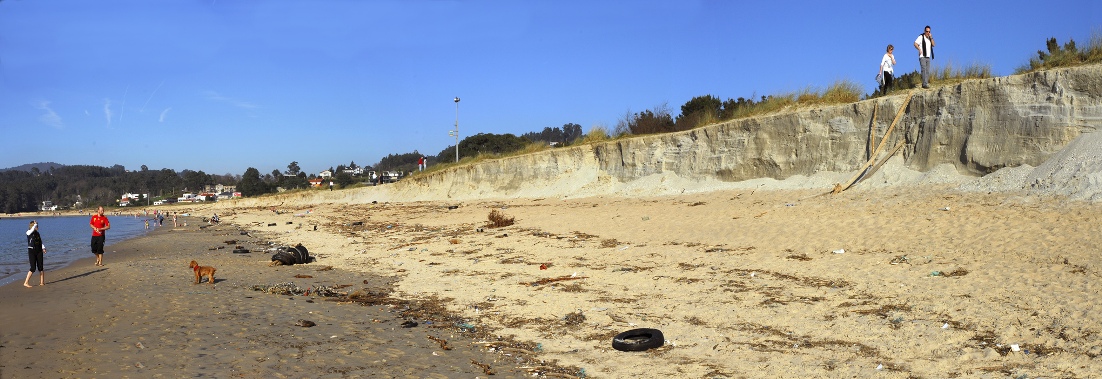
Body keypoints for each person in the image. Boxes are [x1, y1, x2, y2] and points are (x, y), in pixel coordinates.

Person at [24, 221, 46, 287]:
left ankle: (42, 282)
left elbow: (40, 242)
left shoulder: (37, 233)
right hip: (32, 251)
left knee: (41, 267)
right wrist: (35, 225)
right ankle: (26, 282)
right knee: (33, 268)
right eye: (36, 226)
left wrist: (43, 248)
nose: (37, 227)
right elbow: (31, 231)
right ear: (33, 226)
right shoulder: (28, 232)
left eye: (37, 226)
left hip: (39, 251)